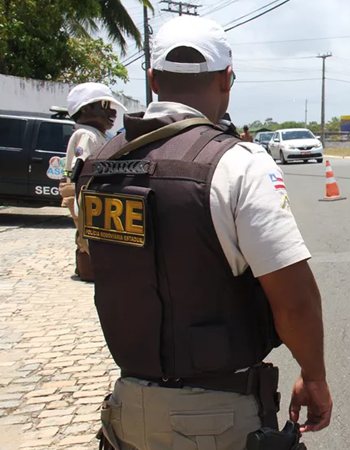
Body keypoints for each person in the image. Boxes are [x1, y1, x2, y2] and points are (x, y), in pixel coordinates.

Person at [75, 16, 332, 449]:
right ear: (227, 80)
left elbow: (91, 268)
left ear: (153, 79)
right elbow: (295, 299)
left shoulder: (98, 164)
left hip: (125, 413)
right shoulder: (239, 164)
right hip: (217, 419)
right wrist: (314, 375)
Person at [59, 82, 126, 281]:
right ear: (86, 109)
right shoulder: (87, 135)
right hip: (86, 194)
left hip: (89, 195)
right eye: (105, 107)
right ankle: (88, 269)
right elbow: (83, 170)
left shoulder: (98, 135)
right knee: (86, 238)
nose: (112, 113)